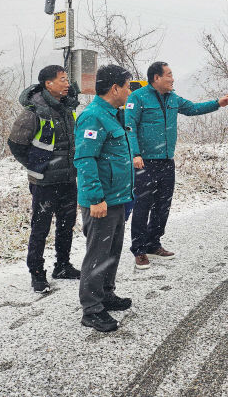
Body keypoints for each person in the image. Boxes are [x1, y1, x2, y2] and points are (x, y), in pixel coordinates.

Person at [125, 61, 228, 270]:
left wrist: (217, 103)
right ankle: (139, 249)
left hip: (167, 160)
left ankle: (153, 243)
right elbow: (130, 127)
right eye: (169, 75)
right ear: (156, 78)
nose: (172, 79)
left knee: (162, 205)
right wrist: (135, 154)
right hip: (145, 161)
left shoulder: (173, 98)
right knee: (143, 205)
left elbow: (193, 108)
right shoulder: (137, 98)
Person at [8, 65, 80, 293]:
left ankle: (62, 265)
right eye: (62, 79)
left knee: (66, 224)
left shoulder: (69, 108)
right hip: (44, 182)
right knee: (40, 228)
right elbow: (16, 144)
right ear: (48, 84)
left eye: (67, 78)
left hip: (68, 178)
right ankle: (37, 273)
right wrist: (37, 165)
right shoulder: (34, 111)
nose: (67, 83)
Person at [75, 64, 135, 332]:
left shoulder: (113, 114)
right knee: (97, 253)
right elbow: (85, 159)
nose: (129, 91)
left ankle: (106, 293)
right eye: (127, 86)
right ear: (115, 89)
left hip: (117, 197)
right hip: (102, 200)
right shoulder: (93, 117)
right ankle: (92, 309)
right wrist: (96, 198)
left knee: (112, 250)